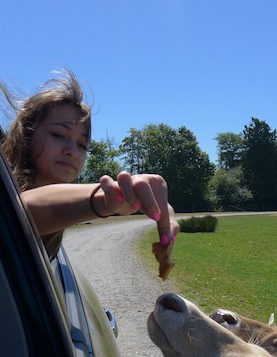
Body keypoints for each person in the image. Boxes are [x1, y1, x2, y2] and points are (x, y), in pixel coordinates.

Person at [1, 71, 178, 259]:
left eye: (82, 145)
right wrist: (109, 198)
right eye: (59, 135)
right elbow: (17, 212)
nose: (73, 151)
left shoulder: (64, 214)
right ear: (26, 136)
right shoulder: (6, 197)